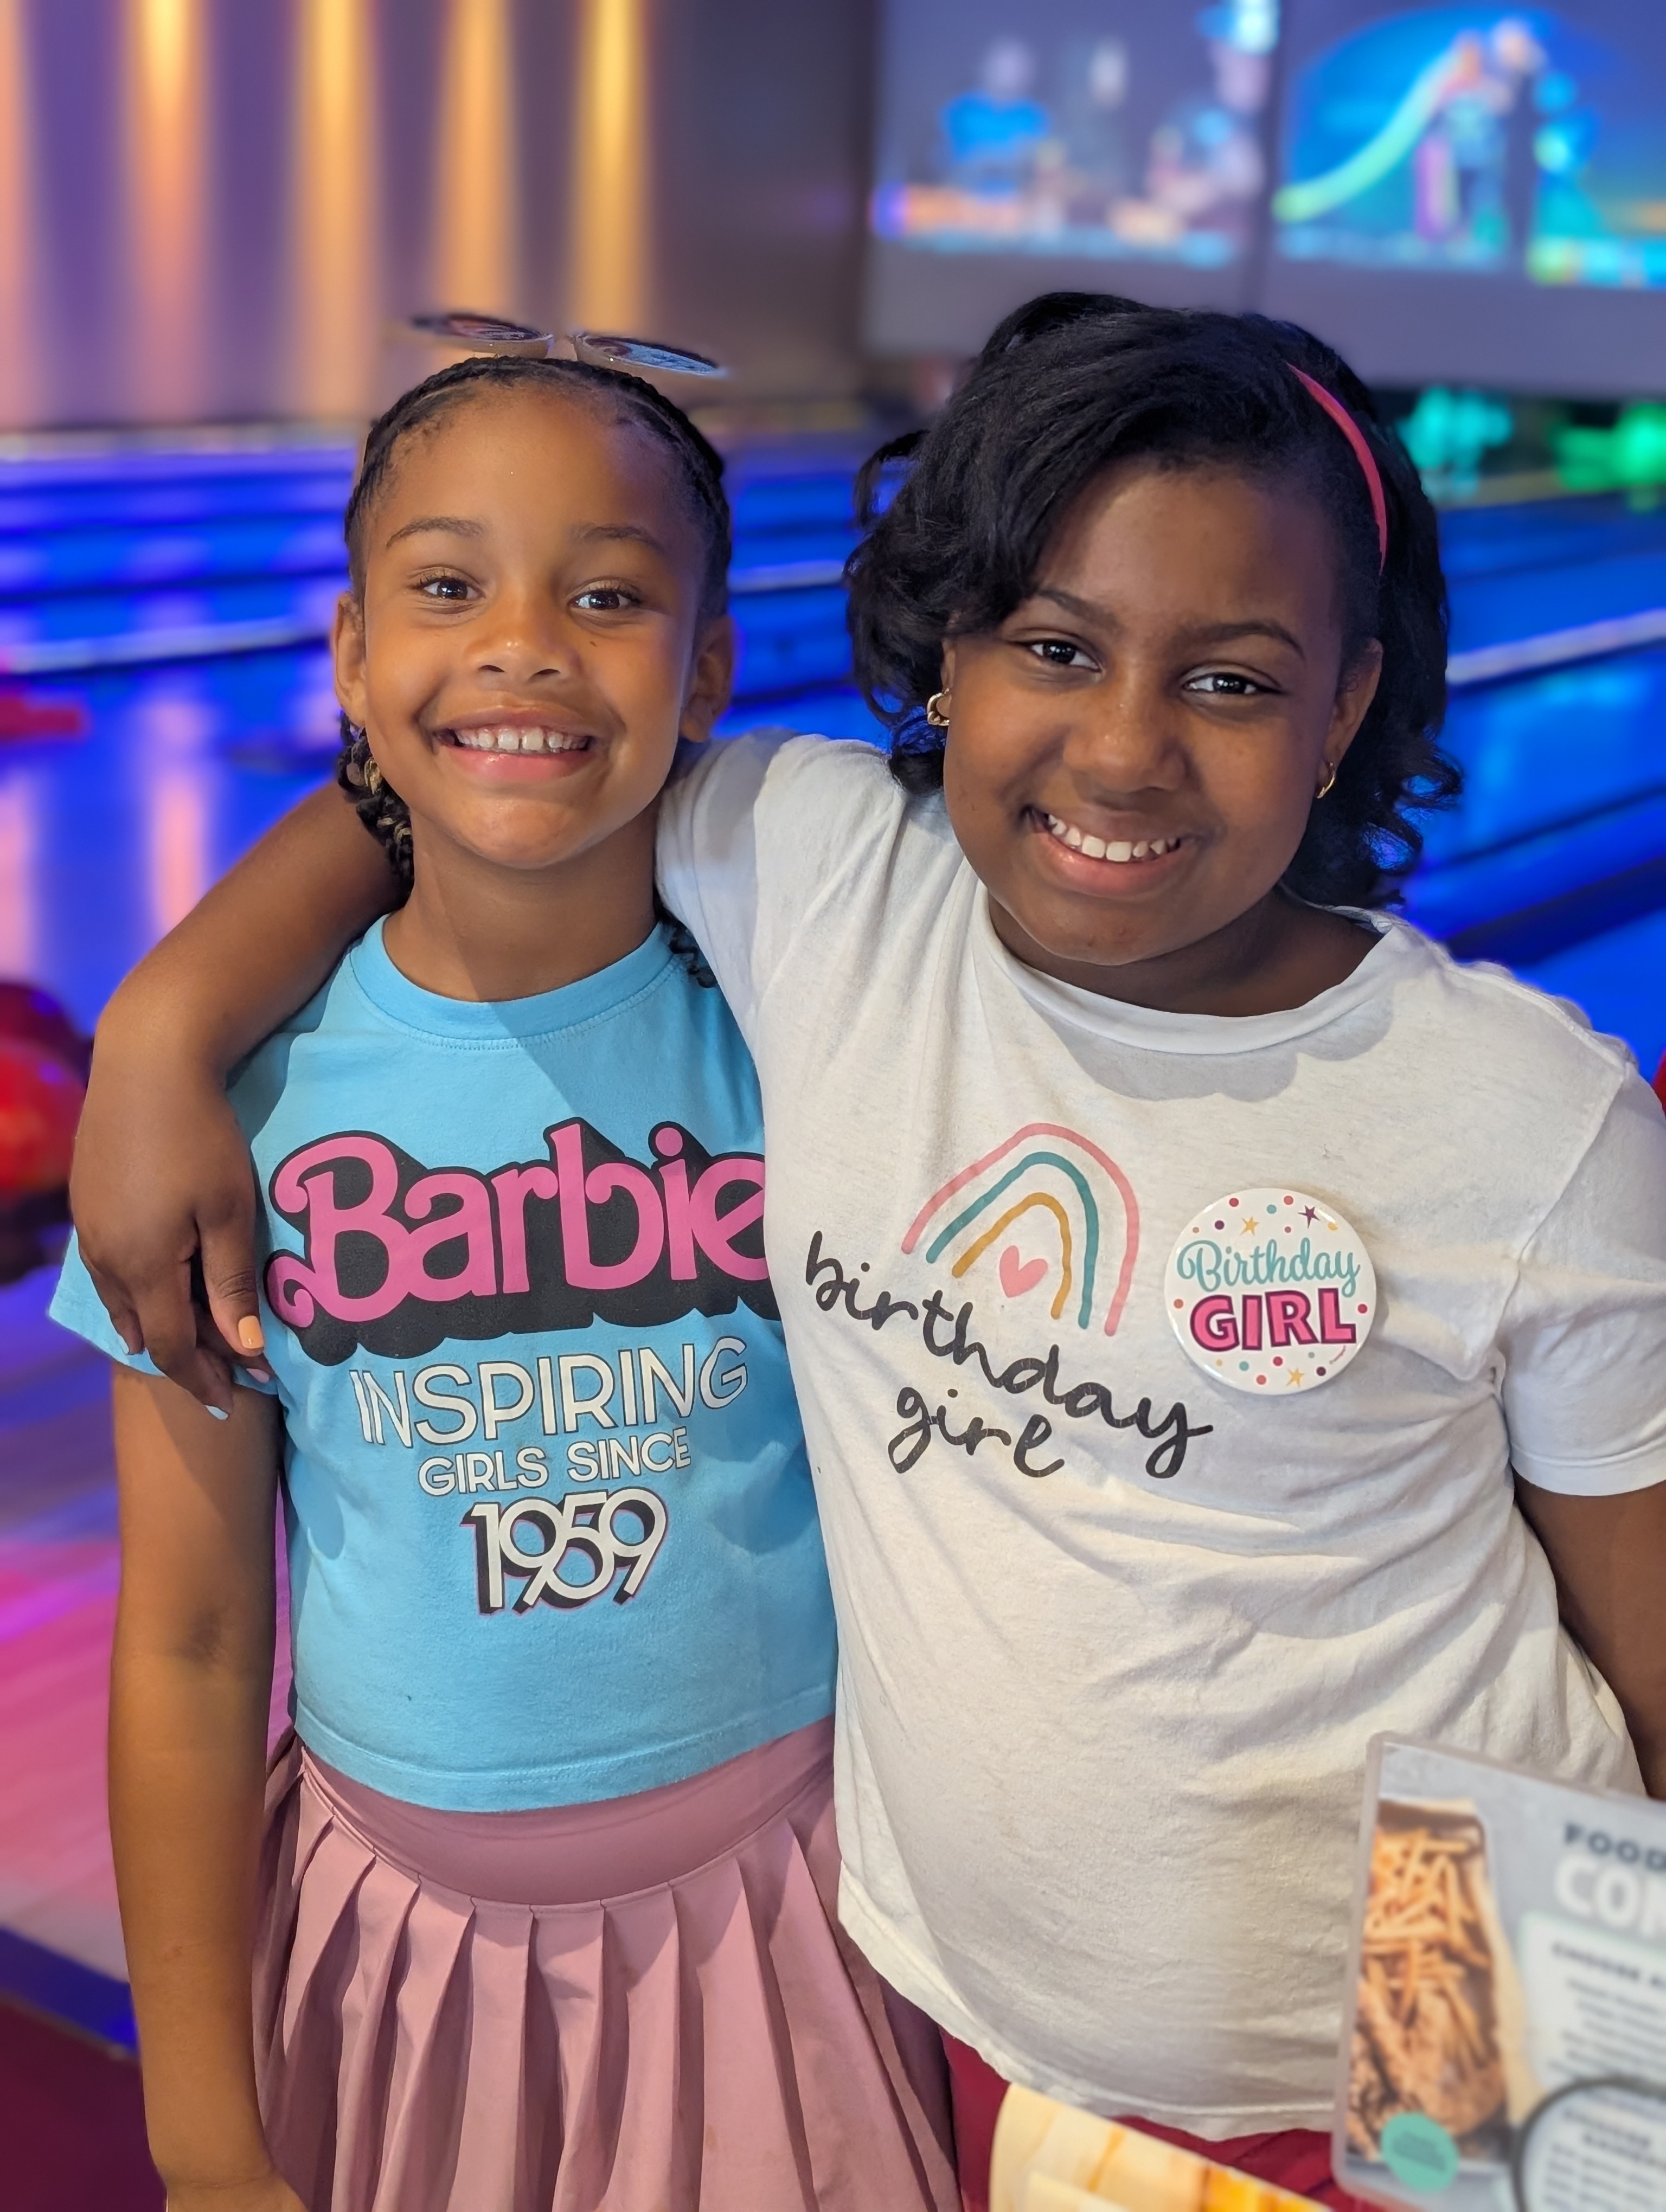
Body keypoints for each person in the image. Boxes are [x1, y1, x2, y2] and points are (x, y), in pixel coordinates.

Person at [71, 298, 1666, 2211]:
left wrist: (1545, 2112)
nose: (1126, 749)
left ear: (1345, 704)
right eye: (1056, 649)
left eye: (1235, 682)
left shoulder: (1519, 1113)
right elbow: (485, 764)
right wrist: (162, 1028)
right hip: (1001, 2007)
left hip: (1453, 1994)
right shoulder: (832, 883)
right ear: (950, 663)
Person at [51, 352, 957, 2212]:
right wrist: (197, 2130)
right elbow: (198, 1644)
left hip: (786, 1923)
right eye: (449, 587)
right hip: (399, 1956)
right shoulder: (232, 1124)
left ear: (706, 669)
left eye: (610, 595)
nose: (526, 648)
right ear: (353, 657)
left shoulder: (812, 1043)